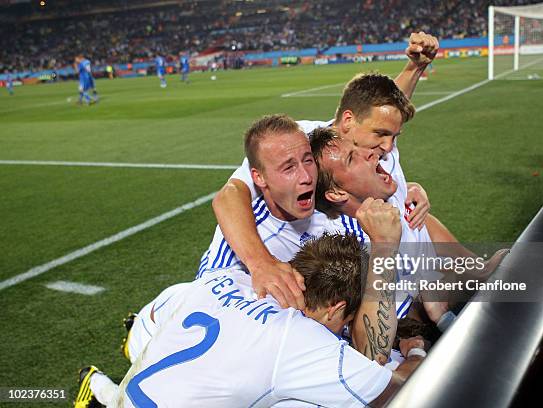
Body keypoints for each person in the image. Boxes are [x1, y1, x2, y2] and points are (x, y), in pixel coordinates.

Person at [75, 225, 427, 407]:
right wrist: (415, 351)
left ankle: (102, 390)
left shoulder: (228, 278)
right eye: (348, 321)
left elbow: (151, 317)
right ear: (337, 308)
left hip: (144, 340)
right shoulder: (306, 342)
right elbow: (397, 392)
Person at [210, 32, 440, 312]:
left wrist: (415, 68)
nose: (388, 146)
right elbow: (230, 194)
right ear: (347, 123)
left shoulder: (373, 143)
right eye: (380, 134)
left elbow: (384, 111)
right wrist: (262, 264)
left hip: (414, 272)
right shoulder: (299, 142)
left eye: (392, 135)